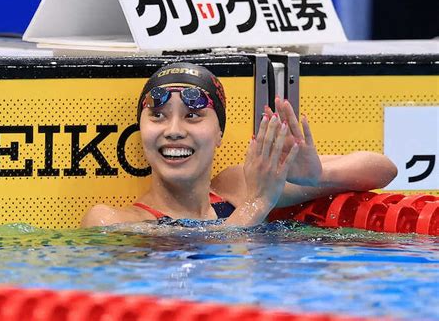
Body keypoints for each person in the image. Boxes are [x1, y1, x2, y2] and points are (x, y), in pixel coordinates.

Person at [81, 62, 397, 228]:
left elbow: (383, 170)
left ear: (220, 132)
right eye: (158, 116)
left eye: (193, 115)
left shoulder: (237, 185)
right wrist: (257, 205)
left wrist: (314, 177)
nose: (174, 130)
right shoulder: (113, 221)